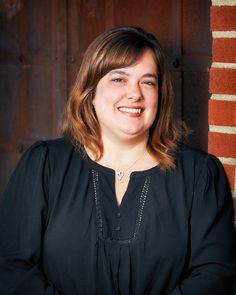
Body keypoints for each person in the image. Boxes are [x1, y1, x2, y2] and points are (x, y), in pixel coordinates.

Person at [0, 26, 235, 295]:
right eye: (119, 79)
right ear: (90, 91)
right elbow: (11, 267)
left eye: (148, 82)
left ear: (160, 95)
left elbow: (214, 275)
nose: (135, 94)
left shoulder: (200, 175)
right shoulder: (44, 165)